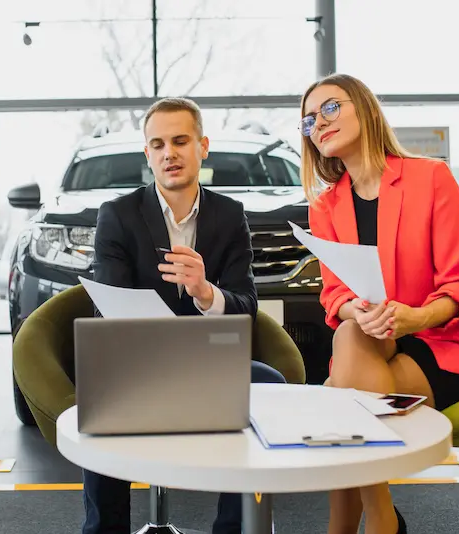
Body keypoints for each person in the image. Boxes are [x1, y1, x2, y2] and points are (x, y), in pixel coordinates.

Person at [298, 73, 459, 534]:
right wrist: (357, 310)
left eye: (331, 108)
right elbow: (335, 294)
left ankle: (368, 522)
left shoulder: (430, 178)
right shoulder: (325, 207)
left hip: (445, 345)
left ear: (366, 108)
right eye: (309, 120)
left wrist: (416, 316)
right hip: (372, 346)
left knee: (342, 395)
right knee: (350, 332)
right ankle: (380, 517)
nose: (319, 123)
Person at [82, 96, 287, 534]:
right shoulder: (117, 216)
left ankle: (233, 530)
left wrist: (204, 290)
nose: (168, 153)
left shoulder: (230, 216)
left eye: (179, 141)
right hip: (137, 365)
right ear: (147, 155)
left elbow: (247, 309)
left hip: (208, 363)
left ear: (202, 146)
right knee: (102, 394)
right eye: (157, 144)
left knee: (270, 384)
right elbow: (109, 304)